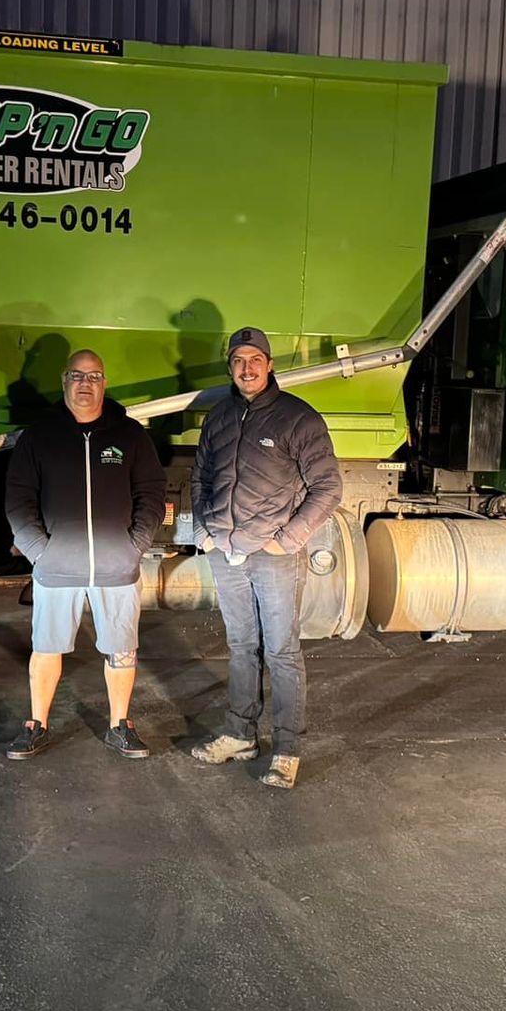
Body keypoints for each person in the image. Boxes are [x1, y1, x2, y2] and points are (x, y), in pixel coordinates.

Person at [187, 326, 343, 789]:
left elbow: (328, 487)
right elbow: (198, 479)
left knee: (281, 651)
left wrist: (287, 539)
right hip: (225, 552)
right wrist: (205, 532)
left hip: (273, 556)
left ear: (270, 365)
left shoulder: (298, 418)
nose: (246, 368)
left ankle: (288, 748)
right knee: (240, 647)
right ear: (230, 367)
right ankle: (240, 735)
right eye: (238, 360)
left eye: (255, 359)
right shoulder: (218, 417)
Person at [2, 349, 168, 760]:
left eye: (94, 376)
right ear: (64, 382)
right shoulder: (39, 437)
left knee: (122, 648)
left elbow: (151, 492)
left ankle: (119, 725)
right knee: (46, 647)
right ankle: (37, 724)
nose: (85, 384)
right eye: (77, 376)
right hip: (57, 568)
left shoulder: (130, 435)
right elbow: (19, 499)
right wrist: (41, 552)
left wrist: (136, 545)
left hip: (117, 568)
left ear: (104, 383)